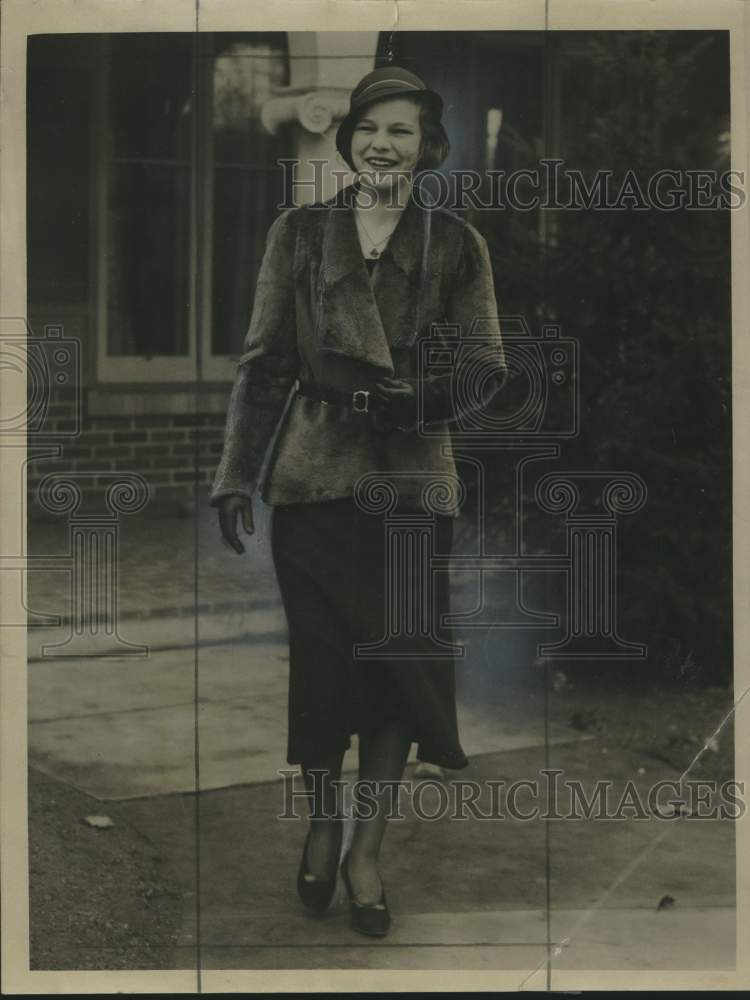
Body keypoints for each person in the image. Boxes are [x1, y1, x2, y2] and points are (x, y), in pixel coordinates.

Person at [211, 65, 507, 937]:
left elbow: (486, 366)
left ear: (430, 146)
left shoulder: (457, 245)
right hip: (315, 485)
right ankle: (324, 820)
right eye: (370, 128)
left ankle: (368, 849)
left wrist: (420, 401)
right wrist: (236, 474)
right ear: (349, 139)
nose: (384, 144)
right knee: (328, 672)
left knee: (397, 677)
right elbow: (264, 365)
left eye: (403, 131)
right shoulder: (300, 235)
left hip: (412, 490)